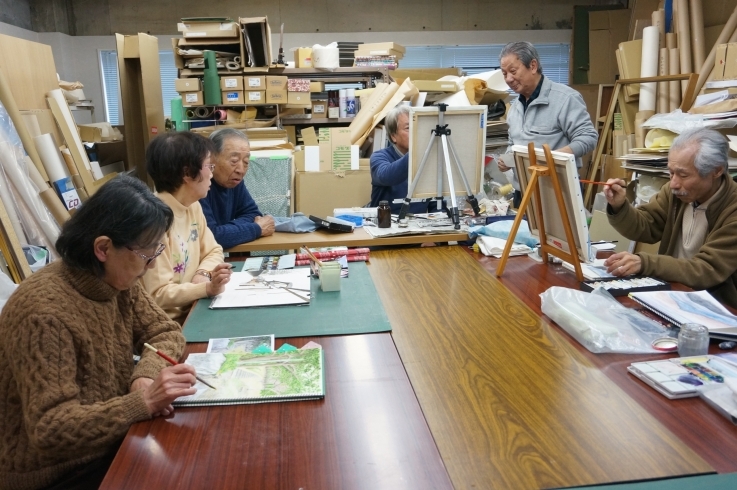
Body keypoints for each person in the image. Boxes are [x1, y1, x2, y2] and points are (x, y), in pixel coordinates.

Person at [0, 176, 198, 490]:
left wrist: (143, 376)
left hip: (111, 441)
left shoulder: (117, 281)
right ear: (103, 248)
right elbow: (50, 429)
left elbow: (165, 331)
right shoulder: (43, 314)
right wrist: (142, 403)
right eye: (146, 254)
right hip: (59, 471)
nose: (150, 265)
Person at [603, 127, 737, 308]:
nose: (673, 183)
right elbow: (646, 226)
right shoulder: (676, 193)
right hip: (674, 293)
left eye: (683, 175)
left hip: (717, 307)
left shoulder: (732, 208)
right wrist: (619, 206)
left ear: (717, 171)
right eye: (671, 172)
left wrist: (645, 262)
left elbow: (705, 269)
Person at [142, 132, 232, 324]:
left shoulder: (192, 206)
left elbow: (214, 250)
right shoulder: (153, 221)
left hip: (196, 308)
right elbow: (158, 294)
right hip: (171, 325)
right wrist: (206, 288)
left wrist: (202, 274)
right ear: (187, 174)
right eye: (209, 166)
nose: (212, 173)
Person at [497, 41, 598, 203]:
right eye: (504, 74)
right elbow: (513, 142)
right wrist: (508, 158)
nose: (508, 79)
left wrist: (551, 158)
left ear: (533, 66)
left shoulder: (565, 99)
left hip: (557, 191)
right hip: (522, 191)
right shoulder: (515, 107)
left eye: (513, 71)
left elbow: (588, 138)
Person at [200, 128, 275, 249]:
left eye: (246, 162)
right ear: (211, 158)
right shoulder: (199, 186)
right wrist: (256, 229)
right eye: (234, 161)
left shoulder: (234, 181)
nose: (240, 170)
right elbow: (211, 236)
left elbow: (253, 214)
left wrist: (228, 231)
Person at [369, 104, 430, 214]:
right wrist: (417, 151)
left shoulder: (428, 160)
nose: (416, 132)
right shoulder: (379, 157)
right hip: (386, 224)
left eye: (418, 126)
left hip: (418, 226)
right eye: (408, 128)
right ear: (393, 136)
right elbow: (387, 176)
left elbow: (435, 204)